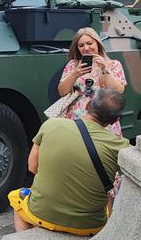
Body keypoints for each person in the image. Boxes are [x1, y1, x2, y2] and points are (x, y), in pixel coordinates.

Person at [9, 89, 130, 236]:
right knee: (109, 199)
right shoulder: (121, 146)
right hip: (90, 225)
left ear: (88, 104)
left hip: (41, 214)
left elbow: (33, 167)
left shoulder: (51, 125)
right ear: (115, 121)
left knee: (16, 198)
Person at [57, 27, 127, 136]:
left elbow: (118, 91)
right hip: (77, 120)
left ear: (97, 43)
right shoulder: (73, 65)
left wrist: (104, 69)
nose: (86, 48)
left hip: (104, 120)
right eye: (81, 45)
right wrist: (75, 74)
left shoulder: (113, 64)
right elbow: (62, 92)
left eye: (90, 43)